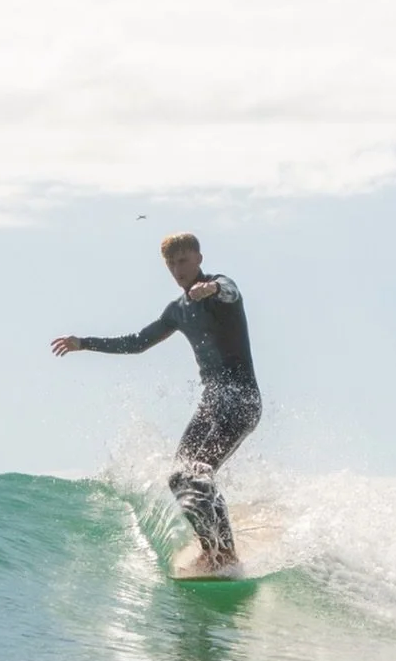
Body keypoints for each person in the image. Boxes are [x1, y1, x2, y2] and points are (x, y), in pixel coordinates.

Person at [51, 232, 261, 574]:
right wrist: (83, 343)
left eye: (184, 261)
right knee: (179, 478)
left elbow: (230, 289)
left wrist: (211, 289)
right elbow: (138, 343)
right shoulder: (177, 311)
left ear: (199, 258)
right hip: (212, 403)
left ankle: (225, 554)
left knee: (198, 473)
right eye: (172, 264)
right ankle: (214, 550)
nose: (178, 269)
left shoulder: (221, 290)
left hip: (241, 400)